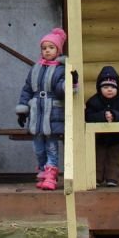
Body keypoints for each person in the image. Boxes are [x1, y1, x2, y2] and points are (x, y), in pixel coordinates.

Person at [15, 27, 75, 191]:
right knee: (38, 147)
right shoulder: (35, 68)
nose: (47, 51)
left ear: (58, 50)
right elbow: (27, 89)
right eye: (44, 48)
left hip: (52, 113)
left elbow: (61, 90)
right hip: (36, 114)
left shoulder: (61, 69)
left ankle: (51, 174)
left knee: (51, 146)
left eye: (51, 47)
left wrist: (70, 82)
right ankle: (42, 170)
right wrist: (23, 110)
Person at [84, 65, 119, 186]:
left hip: (116, 138)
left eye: (112, 87)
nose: (109, 89)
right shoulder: (94, 101)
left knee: (113, 158)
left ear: (118, 88)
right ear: (99, 88)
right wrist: (102, 116)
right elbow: (88, 116)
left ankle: (112, 178)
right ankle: (97, 178)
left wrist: (115, 115)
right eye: (105, 87)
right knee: (98, 158)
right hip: (99, 138)